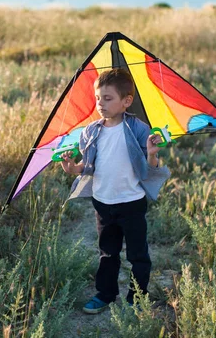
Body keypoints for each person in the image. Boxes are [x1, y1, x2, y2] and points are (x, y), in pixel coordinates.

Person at [60, 68, 171, 314]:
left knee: (137, 255)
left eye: (108, 99)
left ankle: (137, 298)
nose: (101, 104)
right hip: (103, 202)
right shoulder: (91, 131)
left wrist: (152, 154)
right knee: (108, 253)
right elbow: (87, 167)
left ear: (126, 101)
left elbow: (150, 169)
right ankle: (106, 294)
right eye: (98, 98)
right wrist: (72, 168)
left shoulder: (138, 129)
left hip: (132, 202)